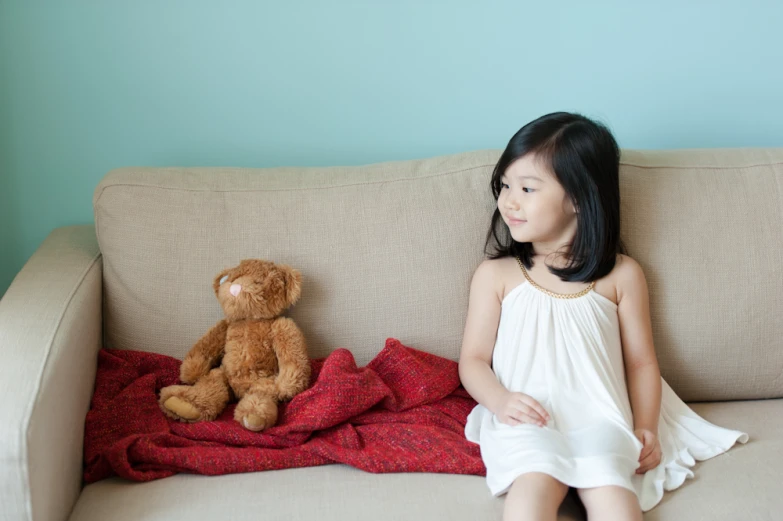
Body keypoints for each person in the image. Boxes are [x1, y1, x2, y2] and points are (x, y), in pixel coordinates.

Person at [459, 112, 748, 520]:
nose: (509, 200)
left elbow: (641, 361)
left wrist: (645, 426)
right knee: (531, 490)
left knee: (614, 496)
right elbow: (472, 360)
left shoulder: (622, 275)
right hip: (528, 417)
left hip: (600, 418)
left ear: (578, 197)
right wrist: (500, 400)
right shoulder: (496, 276)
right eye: (505, 185)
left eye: (526, 188)